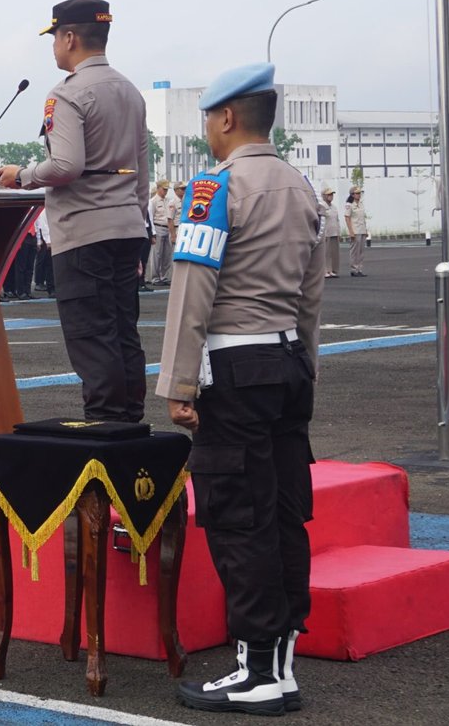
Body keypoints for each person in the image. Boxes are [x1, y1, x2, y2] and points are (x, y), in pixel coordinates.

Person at [158, 63, 324, 716]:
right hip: (287, 365)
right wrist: (304, 367)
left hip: (235, 369)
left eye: (208, 117)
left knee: (238, 517)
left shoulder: (215, 189)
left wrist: (177, 382)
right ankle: (278, 665)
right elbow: (312, 294)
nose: (207, 129)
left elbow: (192, 290)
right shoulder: (300, 186)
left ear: (228, 118)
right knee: (284, 512)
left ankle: (256, 669)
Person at [0, 0, 150, 423]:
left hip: (83, 232)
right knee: (122, 332)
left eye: (54, 39)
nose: (54, 48)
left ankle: (105, 427)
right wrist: (137, 226)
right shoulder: (130, 91)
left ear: (69, 37)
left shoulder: (67, 94)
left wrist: (20, 175)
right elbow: (141, 173)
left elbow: (66, 165)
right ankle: (130, 423)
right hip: (127, 228)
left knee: (92, 336)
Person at [150, 180, 174, 285]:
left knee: (167, 254)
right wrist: (152, 233)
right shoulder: (153, 201)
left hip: (167, 228)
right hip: (158, 227)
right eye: (164, 189)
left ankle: (164, 277)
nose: (166, 191)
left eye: (167, 190)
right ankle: (155, 278)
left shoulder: (168, 201)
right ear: (158, 188)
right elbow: (150, 218)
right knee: (157, 254)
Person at [344, 187, 368, 277]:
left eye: (359, 193)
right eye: (357, 193)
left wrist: (365, 229)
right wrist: (351, 231)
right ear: (352, 195)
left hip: (361, 229)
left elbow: (363, 218)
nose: (359, 195)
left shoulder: (361, 204)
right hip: (355, 230)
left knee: (361, 251)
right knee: (354, 251)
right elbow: (347, 218)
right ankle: (354, 269)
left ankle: (359, 269)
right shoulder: (349, 205)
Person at [319, 187, 340, 278]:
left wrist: (338, 232)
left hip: (334, 232)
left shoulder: (334, 207)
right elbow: (320, 220)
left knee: (333, 253)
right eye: (329, 195)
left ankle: (331, 270)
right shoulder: (322, 206)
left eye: (332, 194)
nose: (331, 196)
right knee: (325, 253)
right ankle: (325, 270)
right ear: (324, 196)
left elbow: (337, 220)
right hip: (326, 232)